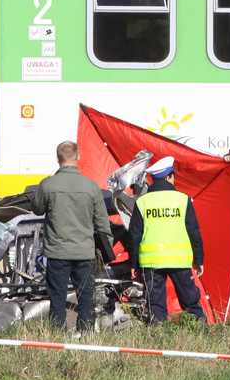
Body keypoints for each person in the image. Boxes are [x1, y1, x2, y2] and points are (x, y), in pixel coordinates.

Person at [31, 141, 113, 332]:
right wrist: (106, 248)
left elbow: (37, 209)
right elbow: (102, 222)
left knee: (57, 297)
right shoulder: (91, 187)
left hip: (58, 252)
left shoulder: (48, 185)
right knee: (86, 297)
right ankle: (86, 334)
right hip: (84, 252)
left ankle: (57, 336)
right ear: (78, 157)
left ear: (57, 158)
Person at [126, 156, 207, 323]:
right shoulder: (182, 199)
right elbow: (194, 232)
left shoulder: (142, 202)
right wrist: (198, 259)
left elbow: (135, 235)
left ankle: (158, 338)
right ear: (170, 176)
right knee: (190, 302)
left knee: (155, 305)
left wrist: (133, 263)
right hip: (180, 260)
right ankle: (200, 332)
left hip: (151, 262)